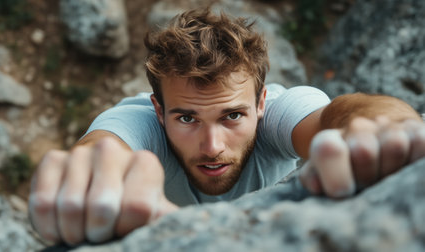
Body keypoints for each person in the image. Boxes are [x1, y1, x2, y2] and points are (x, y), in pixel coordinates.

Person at [28, 9, 425, 245]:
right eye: (186, 118)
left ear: (261, 104)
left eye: (232, 116)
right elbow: (105, 146)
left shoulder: (279, 114)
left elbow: (339, 115)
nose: (212, 145)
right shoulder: (139, 122)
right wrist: (86, 175)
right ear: (158, 110)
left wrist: (389, 125)